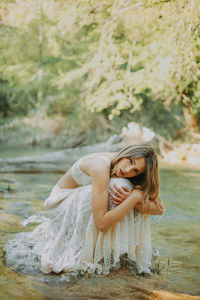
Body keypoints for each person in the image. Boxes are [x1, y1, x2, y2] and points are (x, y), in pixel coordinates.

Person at [4, 144, 164, 276]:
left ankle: (113, 248)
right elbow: (101, 223)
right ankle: (92, 248)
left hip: (83, 202)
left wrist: (136, 195)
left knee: (132, 189)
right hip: (60, 203)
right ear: (124, 154)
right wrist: (133, 199)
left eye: (136, 171)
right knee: (121, 187)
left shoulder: (123, 170)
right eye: (130, 161)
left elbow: (159, 209)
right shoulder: (100, 166)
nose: (128, 170)